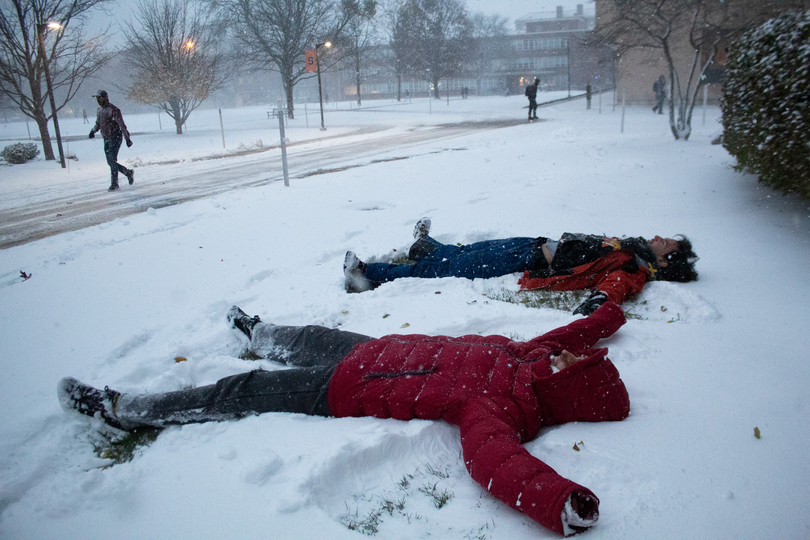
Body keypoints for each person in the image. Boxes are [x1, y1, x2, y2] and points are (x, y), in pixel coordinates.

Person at [58, 301, 630, 537]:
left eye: (579, 364)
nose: (574, 354)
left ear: (569, 387)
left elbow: (495, 461)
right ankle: (261, 333)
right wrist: (609, 311)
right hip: (373, 350)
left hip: (347, 388)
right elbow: (574, 332)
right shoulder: (527, 355)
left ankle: (125, 410)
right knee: (308, 335)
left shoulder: (504, 409)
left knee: (243, 390)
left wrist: (560, 503)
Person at [344, 218, 698, 315]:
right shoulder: (632, 248)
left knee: (447, 269)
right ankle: (425, 245)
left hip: (525, 260)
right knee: (465, 252)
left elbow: (613, 288)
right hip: (533, 243)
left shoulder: (633, 267)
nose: (657, 237)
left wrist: (597, 305)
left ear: (665, 261)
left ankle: (367, 274)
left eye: (666, 242)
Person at [89, 90, 134, 192]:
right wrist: (93, 131)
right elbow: (98, 123)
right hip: (106, 139)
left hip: (115, 138)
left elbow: (122, 125)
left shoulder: (113, 110)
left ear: (105, 98)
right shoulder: (99, 110)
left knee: (112, 160)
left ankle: (114, 183)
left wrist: (127, 139)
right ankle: (127, 173)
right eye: (97, 99)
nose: (98, 101)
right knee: (110, 161)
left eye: (99, 98)